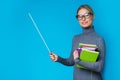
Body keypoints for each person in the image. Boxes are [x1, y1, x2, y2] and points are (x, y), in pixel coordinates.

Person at [50, 4, 105, 80]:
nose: (83, 19)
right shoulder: (75, 38)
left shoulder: (99, 39)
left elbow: (99, 67)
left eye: (86, 15)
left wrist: (79, 61)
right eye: (79, 16)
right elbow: (71, 61)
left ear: (93, 16)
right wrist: (58, 59)